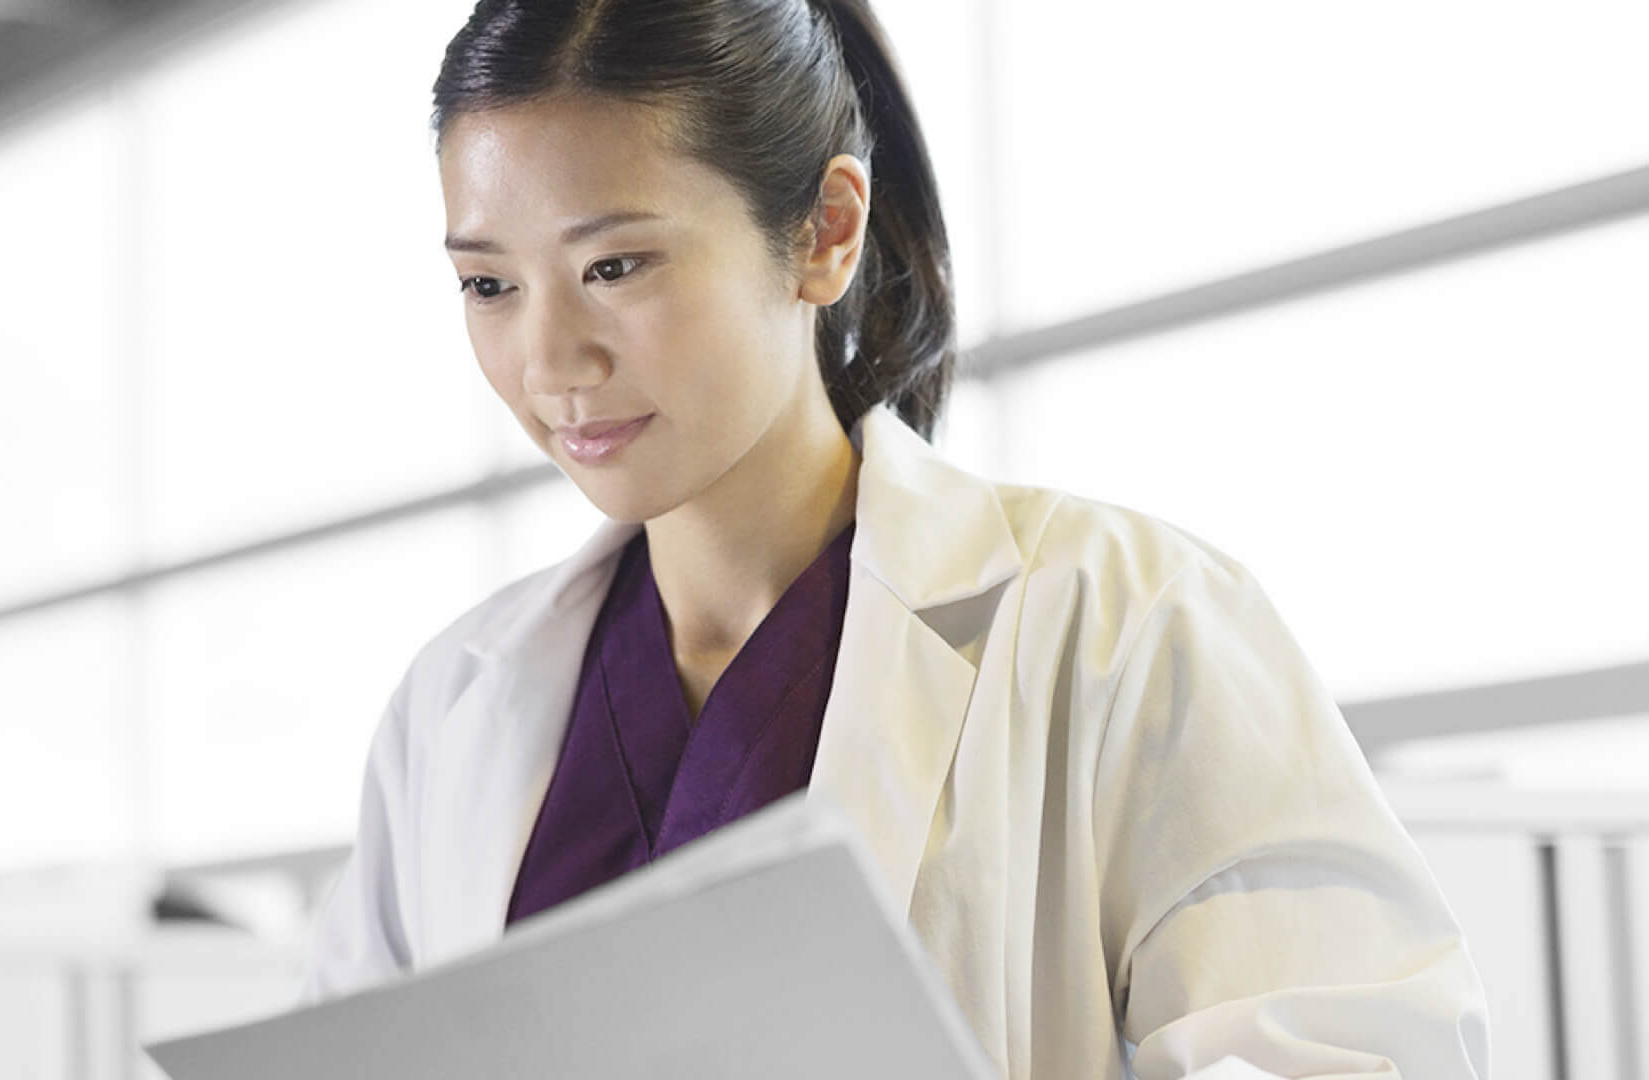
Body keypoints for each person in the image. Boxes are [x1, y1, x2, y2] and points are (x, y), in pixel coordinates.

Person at [299, 1, 1492, 1077]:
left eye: (615, 265)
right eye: (489, 287)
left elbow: (1355, 1055)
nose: (551, 362)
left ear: (825, 230)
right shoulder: (450, 710)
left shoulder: (1119, 620)